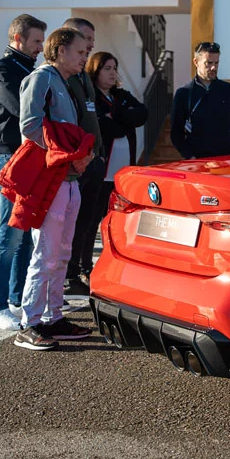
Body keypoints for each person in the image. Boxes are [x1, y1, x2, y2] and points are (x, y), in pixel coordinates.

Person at [15, 27, 95, 350]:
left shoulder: (64, 81)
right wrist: (62, 153)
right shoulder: (42, 78)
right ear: (60, 50)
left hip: (69, 178)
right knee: (45, 253)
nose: (84, 56)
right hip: (52, 178)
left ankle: (53, 316)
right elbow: (28, 124)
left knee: (62, 253)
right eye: (79, 52)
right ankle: (29, 322)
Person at [0, 14, 46, 331]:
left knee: (24, 236)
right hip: (10, 156)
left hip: (30, 155)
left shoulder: (30, 69)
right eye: (36, 41)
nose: (41, 48)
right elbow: (22, 110)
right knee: (9, 234)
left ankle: (16, 299)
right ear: (18, 38)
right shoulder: (2, 70)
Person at [74, 51, 148, 285]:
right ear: (95, 70)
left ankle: (113, 264)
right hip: (100, 171)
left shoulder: (120, 96)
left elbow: (141, 114)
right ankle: (83, 266)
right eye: (107, 68)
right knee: (91, 220)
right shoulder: (91, 96)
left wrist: (116, 115)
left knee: (117, 222)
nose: (112, 73)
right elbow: (108, 128)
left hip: (122, 174)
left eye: (114, 68)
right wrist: (119, 119)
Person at [62, 18, 105, 297]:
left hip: (93, 160)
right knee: (71, 223)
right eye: (85, 38)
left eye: (92, 39)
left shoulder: (83, 76)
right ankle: (66, 275)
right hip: (76, 163)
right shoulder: (61, 76)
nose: (90, 44)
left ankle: (79, 269)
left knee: (88, 221)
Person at [170, 42, 230, 159]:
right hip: (198, 164)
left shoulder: (228, 90)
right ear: (196, 62)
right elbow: (176, 133)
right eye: (208, 63)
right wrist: (190, 156)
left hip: (226, 162)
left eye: (216, 63)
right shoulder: (184, 94)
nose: (213, 67)